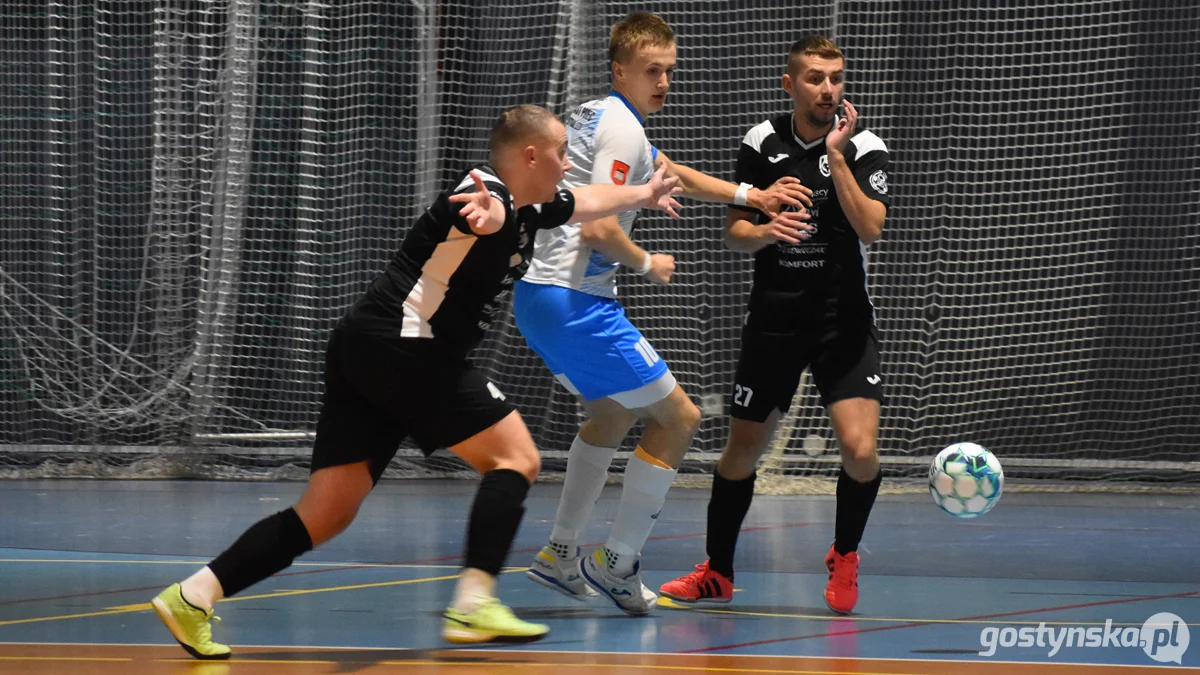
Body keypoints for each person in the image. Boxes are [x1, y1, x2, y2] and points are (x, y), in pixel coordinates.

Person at [149, 104, 684, 659]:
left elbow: (587, 202)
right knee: (516, 459)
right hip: (407, 346)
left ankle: (195, 595)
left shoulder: (531, 206)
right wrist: (486, 216)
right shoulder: (488, 195)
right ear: (530, 155)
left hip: (366, 348)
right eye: (559, 153)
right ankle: (476, 599)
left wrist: (643, 195)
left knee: (326, 513)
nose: (569, 162)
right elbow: (483, 211)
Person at [517, 11, 811, 616]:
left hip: (538, 297)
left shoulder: (602, 115)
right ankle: (617, 561)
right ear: (620, 67)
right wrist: (647, 260)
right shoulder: (623, 130)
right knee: (678, 417)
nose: (664, 82)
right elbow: (599, 226)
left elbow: (670, 172)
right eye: (652, 71)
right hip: (576, 300)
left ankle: (560, 553)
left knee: (608, 415)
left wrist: (750, 196)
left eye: (670, 72)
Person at [657, 35, 892, 615]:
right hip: (775, 321)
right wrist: (765, 228)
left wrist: (835, 160)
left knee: (861, 451)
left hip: (843, 321)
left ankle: (844, 554)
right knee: (741, 453)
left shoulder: (863, 145)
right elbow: (735, 232)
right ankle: (717, 572)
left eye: (836, 77)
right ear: (791, 84)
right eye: (815, 77)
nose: (828, 89)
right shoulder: (761, 141)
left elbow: (871, 228)